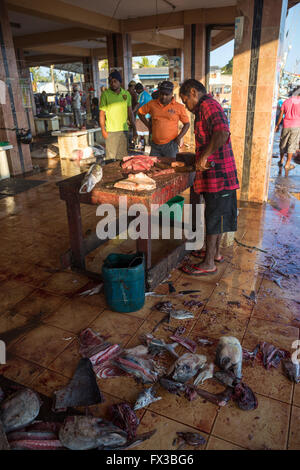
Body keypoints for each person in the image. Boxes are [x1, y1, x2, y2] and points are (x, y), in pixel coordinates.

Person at [179, 78, 239, 276]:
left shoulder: (208, 106)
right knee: (217, 215)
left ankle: (208, 263)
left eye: (185, 100)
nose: (186, 106)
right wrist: (197, 156)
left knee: (214, 216)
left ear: (194, 93)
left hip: (219, 174)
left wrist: (204, 156)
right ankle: (215, 254)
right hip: (217, 174)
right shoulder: (206, 107)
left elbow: (222, 133)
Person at [137, 80, 190, 158]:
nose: (164, 97)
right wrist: (148, 126)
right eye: (162, 94)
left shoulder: (179, 107)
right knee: (154, 167)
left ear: (172, 94)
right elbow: (140, 113)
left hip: (171, 145)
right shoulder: (152, 104)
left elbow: (187, 124)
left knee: (171, 167)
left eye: (166, 94)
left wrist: (179, 137)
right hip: (155, 145)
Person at [99, 70, 137, 160]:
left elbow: (130, 112)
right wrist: (103, 130)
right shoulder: (105, 94)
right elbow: (101, 113)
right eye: (111, 82)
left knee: (123, 158)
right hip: (111, 131)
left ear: (120, 82)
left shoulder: (126, 94)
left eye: (115, 81)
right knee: (110, 159)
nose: (113, 83)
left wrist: (134, 129)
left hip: (124, 131)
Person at [275, 87, 300, 172]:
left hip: (286, 125)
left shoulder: (286, 102)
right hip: (296, 126)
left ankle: (281, 160)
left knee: (283, 143)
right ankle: (287, 164)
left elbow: (281, 115)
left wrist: (277, 126)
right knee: (291, 144)